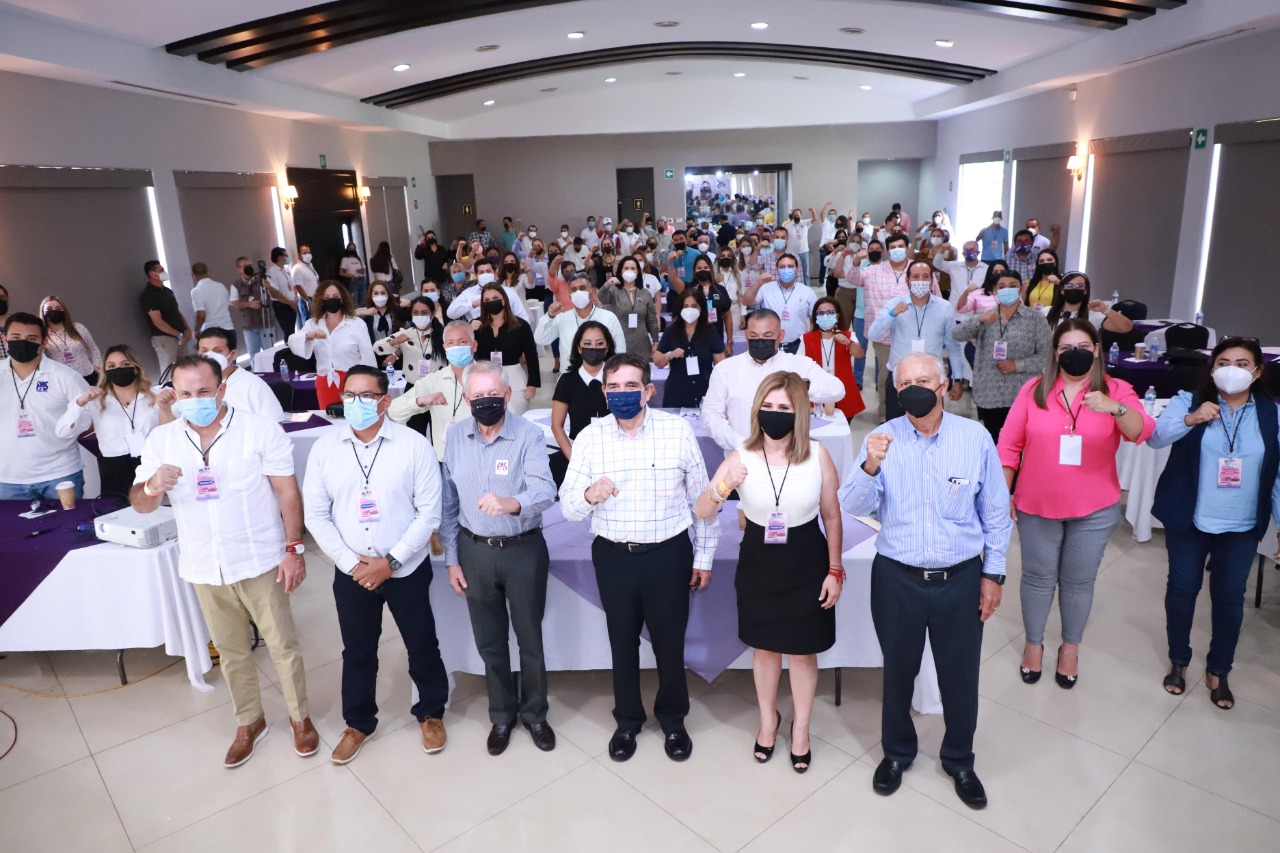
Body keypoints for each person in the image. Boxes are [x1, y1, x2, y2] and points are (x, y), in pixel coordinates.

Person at [840, 351, 1011, 810]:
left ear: (943, 385)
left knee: (960, 675)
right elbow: (852, 504)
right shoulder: (880, 439)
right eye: (904, 383)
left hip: (961, 577)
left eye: (922, 380)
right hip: (897, 578)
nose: (913, 389)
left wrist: (993, 574)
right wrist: (870, 465)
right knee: (898, 670)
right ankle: (897, 753)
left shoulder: (974, 438)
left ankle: (959, 759)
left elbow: (996, 513)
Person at [130, 355, 316, 768]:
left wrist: (294, 549)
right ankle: (250, 721)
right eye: (186, 393)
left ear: (222, 389)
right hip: (203, 564)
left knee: (283, 646)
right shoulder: (161, 441)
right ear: (174, 395)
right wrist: (152, 486)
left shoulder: (258, 430)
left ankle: (300, 718)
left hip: (259, 558)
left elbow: (287, 492)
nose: (195, 400)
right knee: (232, 651)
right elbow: (141, 504)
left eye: (204, 391)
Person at [560, 353, 719, 763]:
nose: (622, 394)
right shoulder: (589, 437)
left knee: (670, 642)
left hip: (668, 554)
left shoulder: (676, 431)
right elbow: (568, 507)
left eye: (631, 386)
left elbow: (702, 499)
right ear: (604, 391)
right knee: (622, 641)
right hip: (613, 556)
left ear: (648, 390)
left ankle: (673, 720)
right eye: (614, 387)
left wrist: (704, 556)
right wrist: (588, 495)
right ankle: (627, 720)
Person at [695, 372, 844, 772]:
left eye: (784, 407)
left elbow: (832, 516)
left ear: (800, 413)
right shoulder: (740, 456)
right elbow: (703, 510)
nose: (774, 413)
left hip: (807, 559)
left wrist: (835, 570)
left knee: (802, 652)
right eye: (768, 406)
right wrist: (723, 487)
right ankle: (767, 721)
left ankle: (802, 729)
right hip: (760, 561)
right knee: (764, 649)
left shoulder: (817, 455)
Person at [303, 366, 449, 763]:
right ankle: (358, 723)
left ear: (385, 401)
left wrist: (391, 561)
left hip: (406, 567)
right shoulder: (326, 449)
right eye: (349, 395)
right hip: (352, 572)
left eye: (366, 396)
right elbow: (316, 515)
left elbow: (429, 512)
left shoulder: (413, 445)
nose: (356, 403)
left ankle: (431, 713)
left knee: (422, 643)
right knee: (358, 650)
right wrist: (353, 564)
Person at [998, 319, 1154, 688]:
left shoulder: (1116, 390)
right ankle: (1033, 644)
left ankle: (1070, 647)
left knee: (1078, 581)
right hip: (1037, 503)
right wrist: (1002, 494)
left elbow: (1142, 431)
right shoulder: (1034, 390)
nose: (1075, 353)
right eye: (1066, 348)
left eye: (1083, 346)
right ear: (1055, 353)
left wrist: (1114, 408)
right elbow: (1008, 445)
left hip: (1094, 508)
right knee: (1037, 578)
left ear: (1097, 350)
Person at [1149, 337, 1280, 709]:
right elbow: (1155, 438)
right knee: (1181, 590)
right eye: (1223, 363)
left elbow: (1278, 475)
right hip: (1190, 518)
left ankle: (1219, 669)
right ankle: (1179, 659)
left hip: (1241, 524)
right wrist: (1191, 420)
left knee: (1229, 598)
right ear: (1212, 369)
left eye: (1242, 364)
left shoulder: (1272, 415)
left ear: (1258, 372)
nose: (1231, 370)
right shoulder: (1187, 401)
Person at [439, 360, 557, 754]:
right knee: (490, 641)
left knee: (530, 639)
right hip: (474, 552)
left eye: (493, 394)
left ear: (507, 395)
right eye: (478, 396)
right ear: (467, 398)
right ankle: (502, 715)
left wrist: (512, 502)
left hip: (523, 549)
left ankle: (535, 714)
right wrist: (452, 559)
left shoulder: (529, 435)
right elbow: (449, 504)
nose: (486, 401)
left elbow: (545, 491)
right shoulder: (456, 437)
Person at [701, 310, 845, 454]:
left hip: (789, 457)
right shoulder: (725, 369)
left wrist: (802, 386)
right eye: (754, 336)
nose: (760, 341)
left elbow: (837, 390)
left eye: (767, 336)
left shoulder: (799, 364)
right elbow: (710, 416)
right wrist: (742, 445)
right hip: (741, 456)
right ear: (746, 335)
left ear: (780, 336)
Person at [951, 270, 1052, 442]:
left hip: (1021, 393)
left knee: (1018, 443)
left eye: (1012, 286)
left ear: (1021, 289)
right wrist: (979, 320)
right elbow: (957, 334)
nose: (1007, 290)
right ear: (995, 291)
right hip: (989, 393)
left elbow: (1046, 355)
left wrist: (1017, 365)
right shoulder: (986, 316)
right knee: (993, 442)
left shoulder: (1035, 319)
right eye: (1002, 286)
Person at [0, 313, 90, 499]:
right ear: (4, 339)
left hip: (60, 474)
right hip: (7, 479)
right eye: (16, 337)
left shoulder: (66, 376)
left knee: (70, 519)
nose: (23, 342)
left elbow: (89, 418)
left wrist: (65, 432)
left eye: (31, 338)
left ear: (44, 342)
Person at [868, 260, 966, 421]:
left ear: (932, 280)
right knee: (897, 428)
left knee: (932, 428)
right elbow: (873, 334)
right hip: (900, 378)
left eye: (925, 276)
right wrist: (892, 314)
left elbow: (952, 345)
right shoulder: (894, 304)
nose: (920, 280)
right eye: (915, 276)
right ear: (907, 280)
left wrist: (958, 378)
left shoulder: (944, 307)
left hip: (931, 381)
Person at [56, 345, 159, 498]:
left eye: (125, 364)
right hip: (115, 468)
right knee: (119, 510)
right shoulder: (95, 401)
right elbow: (62, 432)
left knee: (157, 508)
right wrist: (79, 403)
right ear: (105, 371)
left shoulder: (155, 396)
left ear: (136, 368)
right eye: (111, 366)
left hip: (151, 464)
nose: (118, 369)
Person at [389, 320, 476, 460]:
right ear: (444, 347)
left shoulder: (489, 378)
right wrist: (421, 401)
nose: (456, 347)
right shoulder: (433, 381)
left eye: (462, 342)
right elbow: (394, 412)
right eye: (451, 343)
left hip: (482, 459)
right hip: (446, 461)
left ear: (474, 346)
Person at [289, 281, 377, 409]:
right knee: (329, 418)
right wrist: (310, 335)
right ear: (321, 300)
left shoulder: (357, 324)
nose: (331, 300)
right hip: (325, 383)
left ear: (343, 299)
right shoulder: (312, 324)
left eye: (336, 297)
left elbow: (368, 357)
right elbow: (292, 342)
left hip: (353, 383)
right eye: (327, 297)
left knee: (354, 417)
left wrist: (369, 385)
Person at [550, 321, 613, 486]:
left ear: (607, 347)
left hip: (615, 454)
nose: (593, 348)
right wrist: (574, 460)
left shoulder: (617, 378)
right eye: (587, 344)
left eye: (599, 343)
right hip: (578, 453)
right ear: (579, 348)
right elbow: (556, 425)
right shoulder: (567, 380)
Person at [185, 327, 286, 423]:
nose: (210, 356)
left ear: (233, 354)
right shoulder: (190, 384)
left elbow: (276, 425)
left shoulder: (253, 385)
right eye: (204, 351)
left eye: (218, 351)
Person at [474, 284, 540, 415]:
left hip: (514, 378)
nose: (491, 302)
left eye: (495, 298)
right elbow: (469, 352)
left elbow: (531, 355)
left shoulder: (520, 325)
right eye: (487, 300)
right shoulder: (477, 325)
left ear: (504, 299)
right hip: (485, 378)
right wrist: (470, 331)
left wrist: (532, 384)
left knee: (517, 417)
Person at [654, 288, 725, 409]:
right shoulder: (672, 331)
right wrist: (669, 355)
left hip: (705, 390)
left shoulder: (710, 332)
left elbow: (721, 364)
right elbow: (657, 360)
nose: (689, 310)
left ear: (701, 308)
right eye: (685, 306)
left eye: (694, 306)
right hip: (676, 392)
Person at [801, 297, 866, 420]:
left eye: (830, 312)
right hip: (816, 391)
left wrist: (849, 343)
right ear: (815, 317)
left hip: (843, 390)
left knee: (842, 425)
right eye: (821, 313)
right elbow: (799, 367)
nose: (825, 316)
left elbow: (859, 355)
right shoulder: (805, 338)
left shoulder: (848, 335)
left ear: (837, 315)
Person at [534, 274, 626, 359]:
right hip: (569, 370)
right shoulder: (562, 318)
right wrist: (549, 317)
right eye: (574, 290)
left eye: (582, 288)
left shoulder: (608, 317)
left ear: (591, 291)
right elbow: (541, 339)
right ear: (569, 294)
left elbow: (620, 350)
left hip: (601, 370)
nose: (578, 292)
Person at [741, 253, 816, 354]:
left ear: (797, 269)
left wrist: (810, 341)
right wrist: (758, 283)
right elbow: (746, 301)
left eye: (790, 266)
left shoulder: (807, 292)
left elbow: (813, 320)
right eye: (782, 267)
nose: (786, 269)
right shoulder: (766, 288)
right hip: (770, 345)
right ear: (777, 270)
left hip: (799, 346)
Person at [375, 295, 445, 387]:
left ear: (432, 314)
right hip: (413, 386)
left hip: (438, 385)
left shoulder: (443, 334)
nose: (419, 316)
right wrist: (394, 342)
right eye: (415, 313)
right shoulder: (406, 334)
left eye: (424, 313)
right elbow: (377, 347)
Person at [597, 256, 659, 358]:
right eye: (626, 268)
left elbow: (652, 320)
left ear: (638, 271)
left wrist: (656, 341)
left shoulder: (645, 293)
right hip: (619, 344)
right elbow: (602, 297)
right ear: (621, 271)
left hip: (642, 345)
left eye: (633, 268)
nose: (629, 271)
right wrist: (607, 284)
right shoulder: (614, 291)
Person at [139, 260, 191, 373]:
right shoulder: (149, 295)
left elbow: (177, 312)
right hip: (165, 339)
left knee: (186, 368)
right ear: (152, 274)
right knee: (169, 370)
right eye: (161, 270)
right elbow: (158, 322)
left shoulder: (168, 291)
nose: (164, 272)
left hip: (180, 337)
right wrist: (178, 335)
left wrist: (187, 329)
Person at [39, 295, 101, 384]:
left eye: (58, 308)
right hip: (62, 380)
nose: (54, 311)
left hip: (88, 375)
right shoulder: (42, 334)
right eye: (49, 309)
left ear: (64, 311)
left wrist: (97, 366)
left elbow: (93, 348)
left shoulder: (78, 328)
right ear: (43, 311)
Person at [1045, 272, 1134, 334]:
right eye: (1069, 285)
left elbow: (1126, 327)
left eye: (1079, 286)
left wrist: (1105, 310)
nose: (1074, 289)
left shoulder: (1093, 315)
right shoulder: (1046, 311)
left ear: (1085, 290)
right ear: (1062, 290)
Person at [446, 261, 532, 323]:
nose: (485, 274)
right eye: (481, 272)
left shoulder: (509, 292)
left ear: (495, 273)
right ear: (476, 275)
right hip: (479, 335)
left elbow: (523, 317)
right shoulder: (468, 293)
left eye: (488, 271)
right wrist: (473, 304)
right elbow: (451, 313)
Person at [230, 258, 274, 359]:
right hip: (249, 325)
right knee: (253, 354)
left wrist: (270, 288)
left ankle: (272, 369)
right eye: (246, 266)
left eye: (251, 265)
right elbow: (234, 302)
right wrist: (249, 304)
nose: (249, 268)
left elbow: (275, 296)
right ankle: (256, 369)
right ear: (239, 269)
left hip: (266, 322)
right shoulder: (236, 285)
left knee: (269, 352)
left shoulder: (263, 280)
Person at [933, 240, 989, 312]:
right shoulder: (954, 266)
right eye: (966, 250)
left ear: (978, 252)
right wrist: (941, 250)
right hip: (955, 311)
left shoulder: (986, 268)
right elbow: (937, 263)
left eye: (972, 249)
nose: (969, 252)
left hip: (976, 311)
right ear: (962, 253)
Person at [188, 264, 234, 335]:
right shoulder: (221, 286)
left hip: (211, 331)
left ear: (193, 275)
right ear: (208, 272)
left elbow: (201, 315)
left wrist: (196, 330)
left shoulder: (196, 291)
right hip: (228, 328)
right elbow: (230, 303)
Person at [264, 247, 298, 336]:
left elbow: (293, 287)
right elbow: (275, 294)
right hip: (281, 305)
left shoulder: (286, 270)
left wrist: (295, 300)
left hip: (292, 304)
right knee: (288, 331)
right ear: (279, 257)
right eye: (285, 255)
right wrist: (290, 303)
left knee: (292, 330)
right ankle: (288, 345)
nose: (287, 257)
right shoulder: (272, 271)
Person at [290, 246, 319, 322]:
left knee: (317, 322)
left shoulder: (310, 266)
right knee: (308, 323)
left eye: (309, 252)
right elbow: (298, 286)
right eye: (305, 253)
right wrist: (308, 301)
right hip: (306, 299)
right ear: (299, 255)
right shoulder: (297, 268)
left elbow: (316, 280)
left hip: (315, 298)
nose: (308, 255)